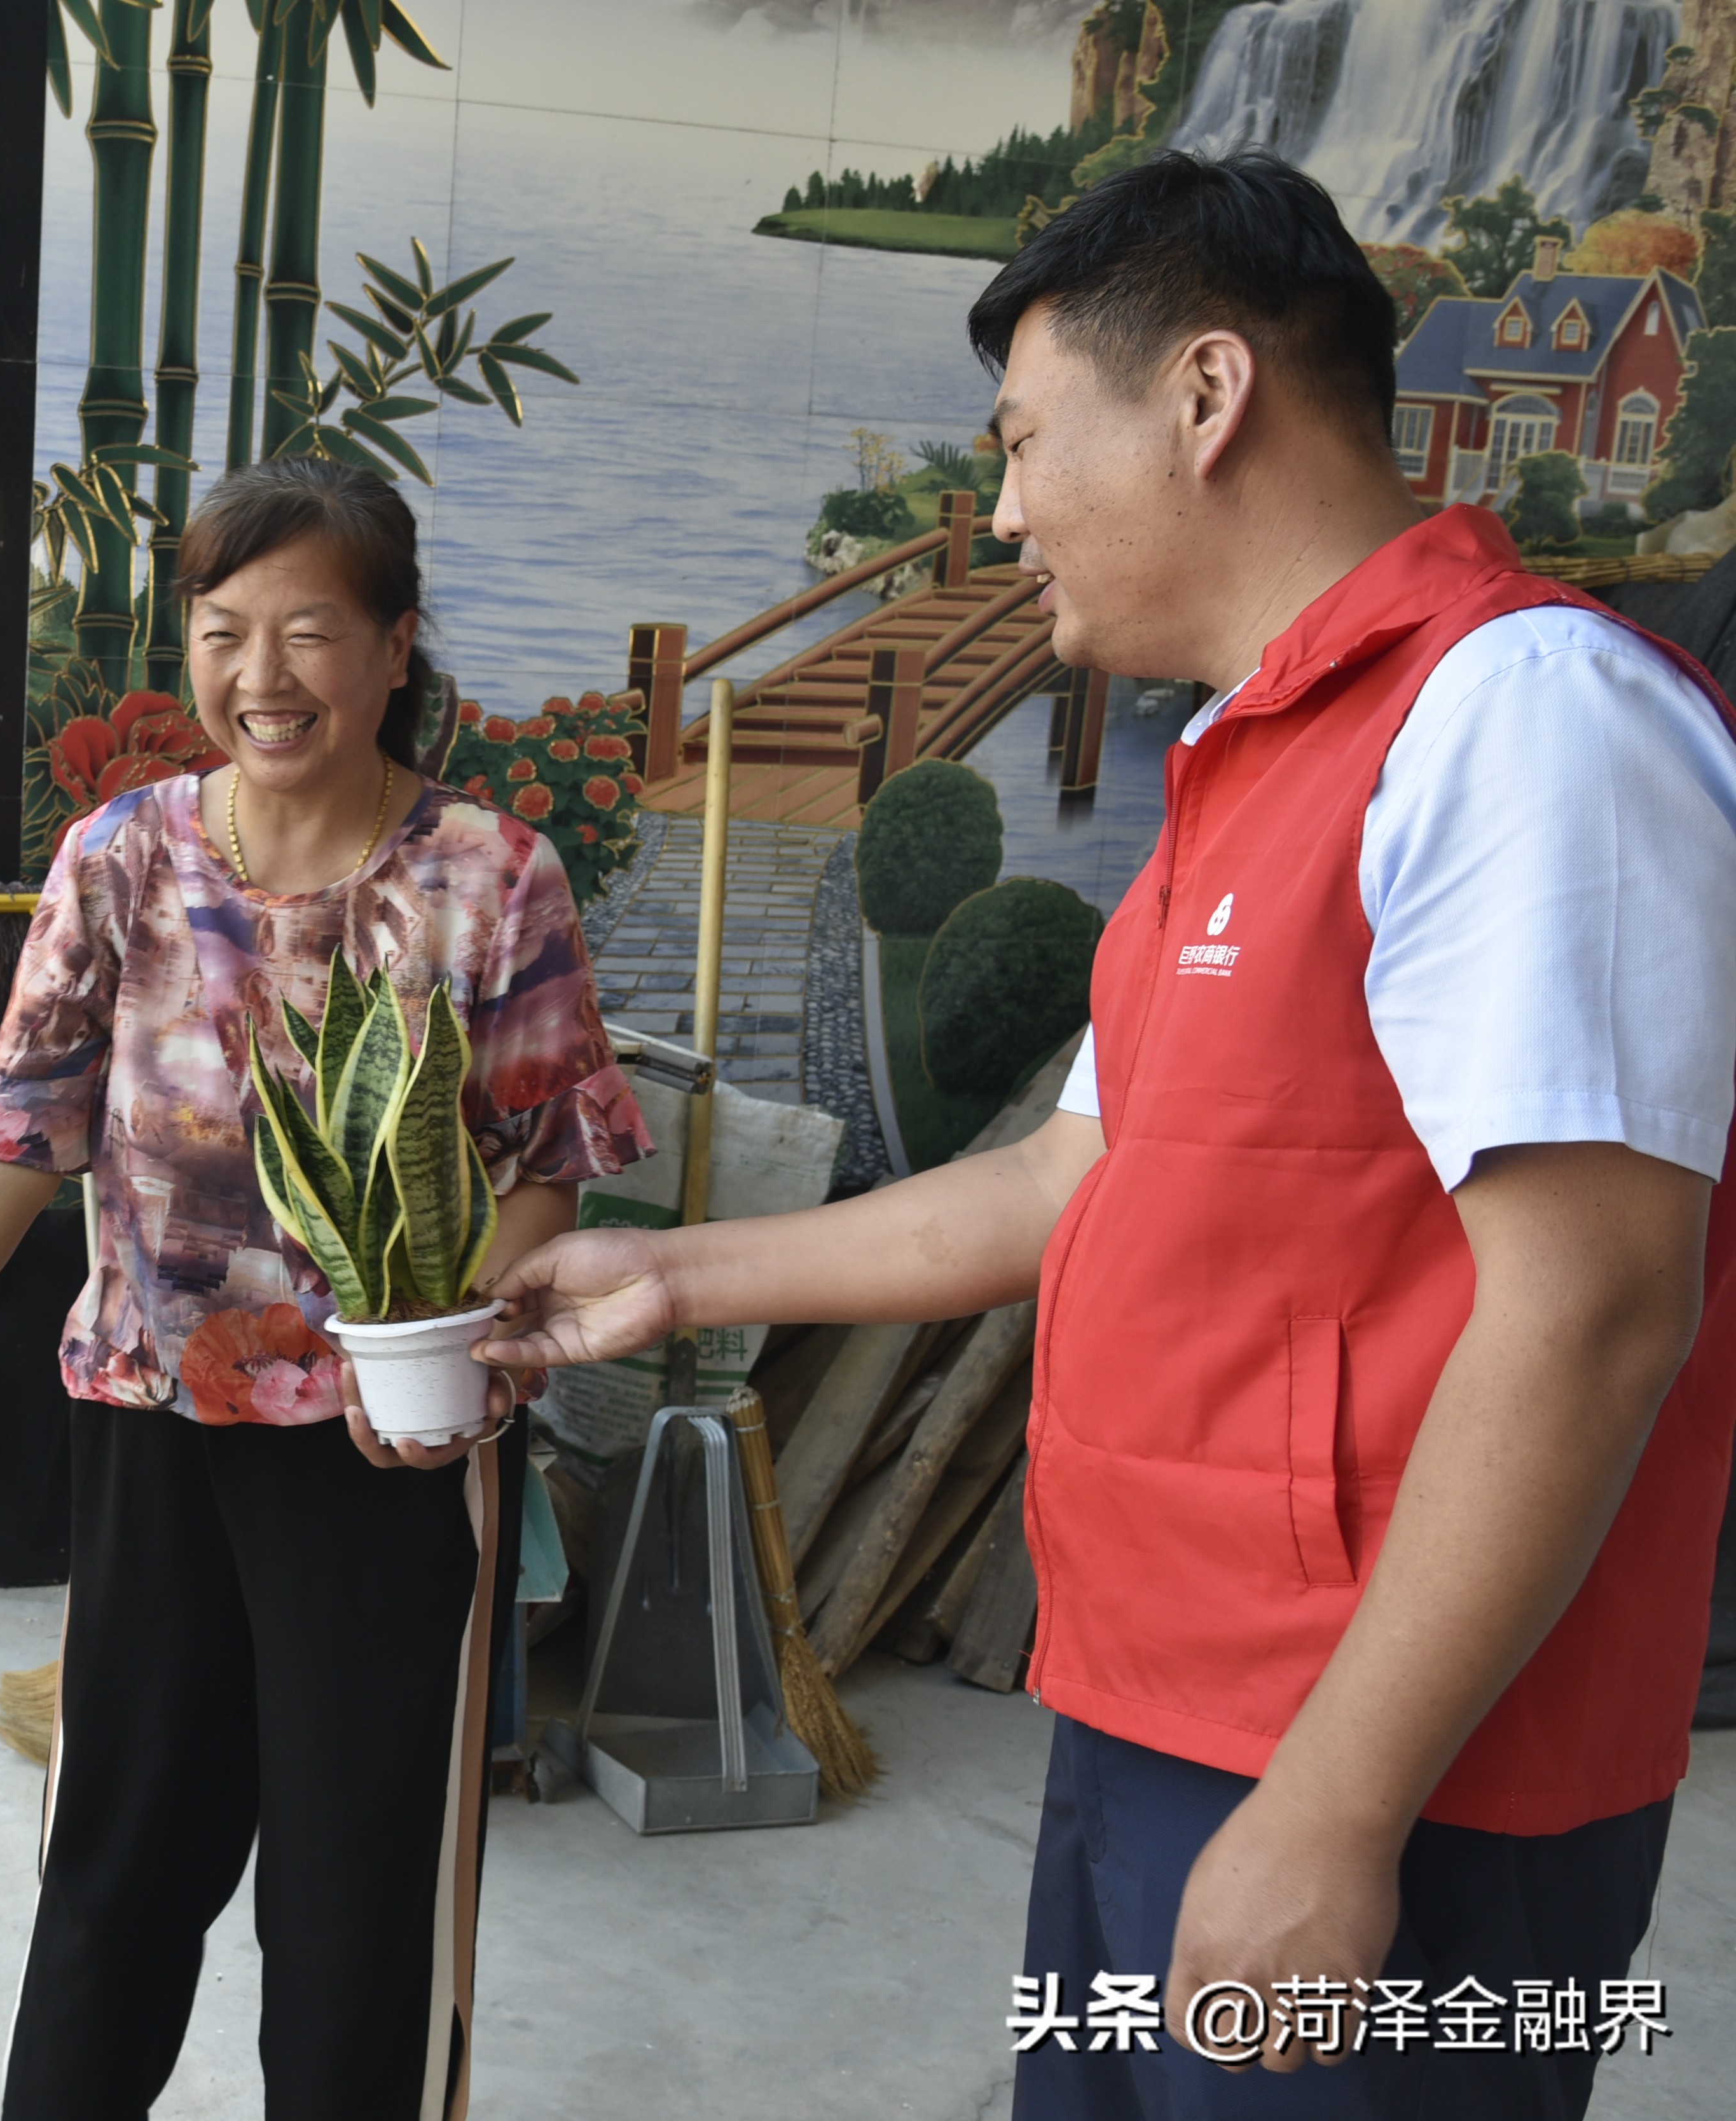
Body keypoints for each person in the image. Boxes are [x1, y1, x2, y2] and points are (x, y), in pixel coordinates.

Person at [482, 152, 1736, 2120]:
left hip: (1400, 1768)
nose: (996, 511)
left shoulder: (1526, 720)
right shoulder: (1255, 761)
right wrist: (667, 1273)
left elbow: (1592, 1313)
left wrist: (1336, 1808)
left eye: (1022, 442)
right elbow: (1077, 1176)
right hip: (1161, 1706)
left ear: (1208, 397)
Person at [0, 458, 646, 2118]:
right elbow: (12, 1138)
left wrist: (441, 1365)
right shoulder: (123, 859)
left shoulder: (490, 879)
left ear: (394, 647)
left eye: (311, 633)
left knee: (356, 1915)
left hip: (391, 1461)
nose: (263, 677)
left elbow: (542, 1166)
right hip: (154, 1434)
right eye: (225, 632)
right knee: (115, 1883)